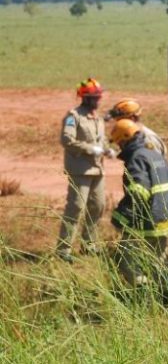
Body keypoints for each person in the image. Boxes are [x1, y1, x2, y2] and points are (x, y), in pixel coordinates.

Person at [109, 119, 168, 288]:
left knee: (124, 261)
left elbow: (139, 190)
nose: (119, 146)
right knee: (158, 263)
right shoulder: (154, 154)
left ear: (125, 139)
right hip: (165, 217)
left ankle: (143, 292)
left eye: (119, 142)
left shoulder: (136, 157)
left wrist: (122, 215)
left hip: (148, 219)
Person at [56, 78, 111, 262]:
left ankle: (89, 245)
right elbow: (67, 140)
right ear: (85, 98)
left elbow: (100, 139)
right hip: (80, 169)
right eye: (94, 98)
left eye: (98, 97)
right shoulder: (74, 116)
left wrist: (107, 148)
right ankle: (63, 250)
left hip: (97, 169)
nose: (98, 101)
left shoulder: (98, 118)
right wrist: (89, 148)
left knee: (98, 206)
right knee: (76, 207)